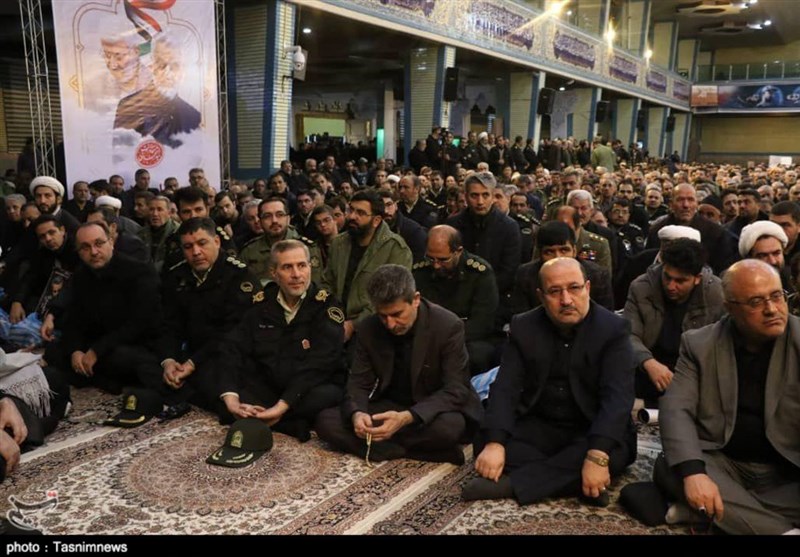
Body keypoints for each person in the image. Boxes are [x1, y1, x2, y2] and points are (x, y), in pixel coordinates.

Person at [463, 257, 636, 506]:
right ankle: (575, 482)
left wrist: (597, 456)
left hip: (590, 426)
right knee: (485, 442)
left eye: (574, 288)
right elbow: (506, 388)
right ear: (541, 296)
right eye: (555, 291)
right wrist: (495, 443)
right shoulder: (524, 326)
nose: (566, 300)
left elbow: (617, 399)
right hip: (540, 424)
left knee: (615, 454)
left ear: (587, 288)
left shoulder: (613, 329)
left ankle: (513, 485)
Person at [657, 260, 800, 535]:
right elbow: (676, 410)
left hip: (787, 470)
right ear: (730, 308)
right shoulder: (699, 344)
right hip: (724, 463)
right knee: (673, 465)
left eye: (777, 296)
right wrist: (694, 473)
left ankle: (714, 512)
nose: (772, 309)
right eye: (756, 302)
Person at [315, 264, 482, 464]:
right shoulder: (369, 328)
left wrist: (406, 417)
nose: (390, 324)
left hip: (431, 408)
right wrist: (357, 413)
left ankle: (379, 448)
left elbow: (456, 389)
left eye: (397, 314)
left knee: (450, 428)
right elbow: (359, 381)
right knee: (326, 421)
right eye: (383, 316)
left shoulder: (447, 325)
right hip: (391, 403)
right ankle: (411, 451)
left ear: (416, 300)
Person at [212, 240, 345, 441]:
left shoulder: (326, 306)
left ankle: (272, 417)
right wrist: (231, 400)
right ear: (274, 273)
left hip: (306, 388)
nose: (296, 274)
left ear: (310, 267)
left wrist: (282, 406)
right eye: (287, 267)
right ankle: (285, 423)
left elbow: (320, 364)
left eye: (302, 265)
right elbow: (233, 347)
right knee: (220, 381)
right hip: (271, 384)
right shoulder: (261, 304)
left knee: (328, 395)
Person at [137, 217, 259, 409]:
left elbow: (232, 332)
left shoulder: (239, 276)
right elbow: (169, 325)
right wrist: (169, 361)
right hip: (190, 351)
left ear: (216, 242)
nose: (196, 252)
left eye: (202, 243)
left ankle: (185, 392)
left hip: (223, 352)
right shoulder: (176, 275)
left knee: (215, 378)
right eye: (188, 247)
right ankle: (185, 389)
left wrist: (192, 364)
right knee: (142, 363)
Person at [47, 222, 161, 393]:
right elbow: (75, 319)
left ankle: (101, 379)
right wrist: (75, 351)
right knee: (55, 350)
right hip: (97, 340)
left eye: (99, 243)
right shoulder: (81, 276)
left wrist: (96, 351)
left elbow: (141, 323)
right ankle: (101, 378)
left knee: (123, 358)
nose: (94, 252)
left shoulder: (139, 272)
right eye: (85, 247)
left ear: (111, 242)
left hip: (130, 342)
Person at [623, 239, 725, 407]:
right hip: (646, 372)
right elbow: (628, 334)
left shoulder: (717, 294)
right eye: (667, 277)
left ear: (697, 278)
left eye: (680, 281)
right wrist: (648, 362)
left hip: (697, 376)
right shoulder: (641, 288)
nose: (671, 286)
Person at [322, 190, 412, 342]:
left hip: (375, 329)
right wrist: (331, 315)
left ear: (376, 220)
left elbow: (391, 297)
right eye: (351, 210)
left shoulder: (395, 249)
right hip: (334, 321)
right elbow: (327, 283)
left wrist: (354, 325)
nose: (352, 216)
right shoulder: (339, 243)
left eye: (360, 213)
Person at [413, 225, 499, 376]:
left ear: (458, 251)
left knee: (477, 355)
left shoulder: (479, 274)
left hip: (467, 337)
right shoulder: (421, 271)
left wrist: (447, 339)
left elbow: (482, 323)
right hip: (429, 335)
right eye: (431, 258)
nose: (436, 265)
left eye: (443, 260)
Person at [114, 34, 201, 148]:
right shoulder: (128, 108)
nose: (167, 73)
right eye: (161, 65)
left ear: (182, 71)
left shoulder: (193, 117)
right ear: (152, 66)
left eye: (174, 66)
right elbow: (120, 155)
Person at [239, 197, 322, 286]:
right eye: (267, 216)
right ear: (261, 221)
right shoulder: (249, 251)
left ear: (288, 219)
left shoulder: (307, 248)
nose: (274, 220)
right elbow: (245, 286)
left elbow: (315, 284)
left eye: (280, 215)